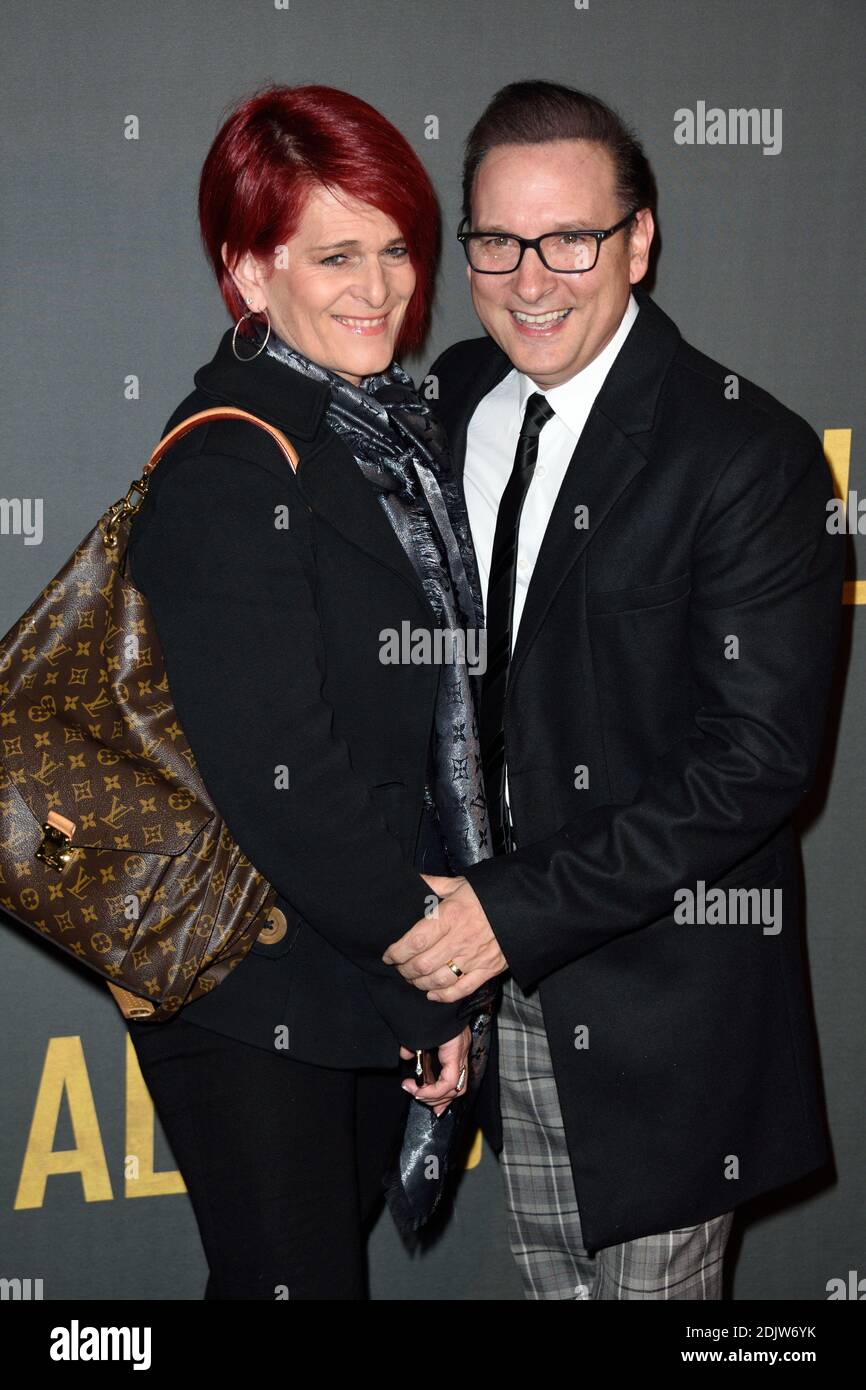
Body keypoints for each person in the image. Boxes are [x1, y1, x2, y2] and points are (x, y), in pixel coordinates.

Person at [382, 80, 844, 1300]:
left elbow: (751, 763)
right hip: (485, 982)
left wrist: (506, 912)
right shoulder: (443, 404)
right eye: (495, 241)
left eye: (570, 239)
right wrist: (440, 945)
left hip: (655, 1011)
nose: (529, 279)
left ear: (639, 239)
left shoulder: (747, 454)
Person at [124, 83, 490, 1300]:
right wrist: (425, 968)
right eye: (335, 253)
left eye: (395, 248)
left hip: (354, 961)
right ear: (245, 271)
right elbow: (280, 773)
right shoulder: (235, 455)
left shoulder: (387, 438)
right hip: (252, 980)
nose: (379, 289)